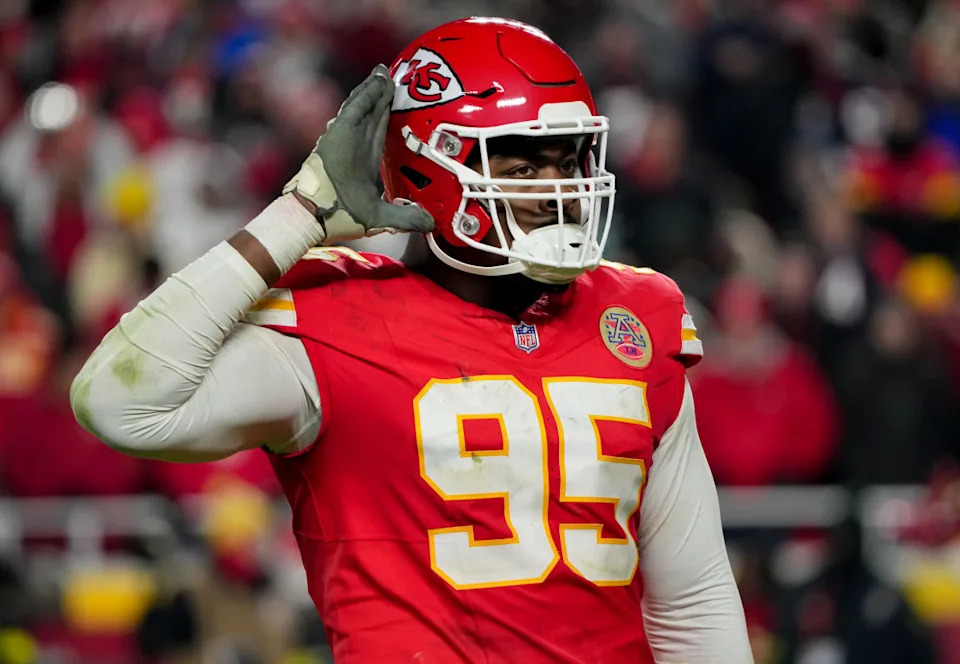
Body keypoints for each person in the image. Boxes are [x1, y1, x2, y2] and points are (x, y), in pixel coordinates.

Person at [70, 17, 751, 664]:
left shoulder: (635, 313)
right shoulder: (333, 318)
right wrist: (299, 214)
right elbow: (120, 402)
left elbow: (692, 600)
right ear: (432, 166)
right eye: (522, 167)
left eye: (570, 159)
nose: (560, 190)